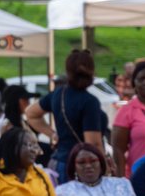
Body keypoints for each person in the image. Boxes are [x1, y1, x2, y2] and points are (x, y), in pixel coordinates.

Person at [27, 49, 107, 183]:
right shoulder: (89, 101)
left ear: (68, 71)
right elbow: (93, 143)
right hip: (82, 167)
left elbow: (31, 113)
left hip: (58, 162)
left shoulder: (58, 94)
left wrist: (52, 134)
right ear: (92, 71)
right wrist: (105, 168)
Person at [112, 61, 145, 179]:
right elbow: (118, 150)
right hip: (140, 179)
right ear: (134, 83)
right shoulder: (127, 111)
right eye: (141, 79)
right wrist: (122, 181)